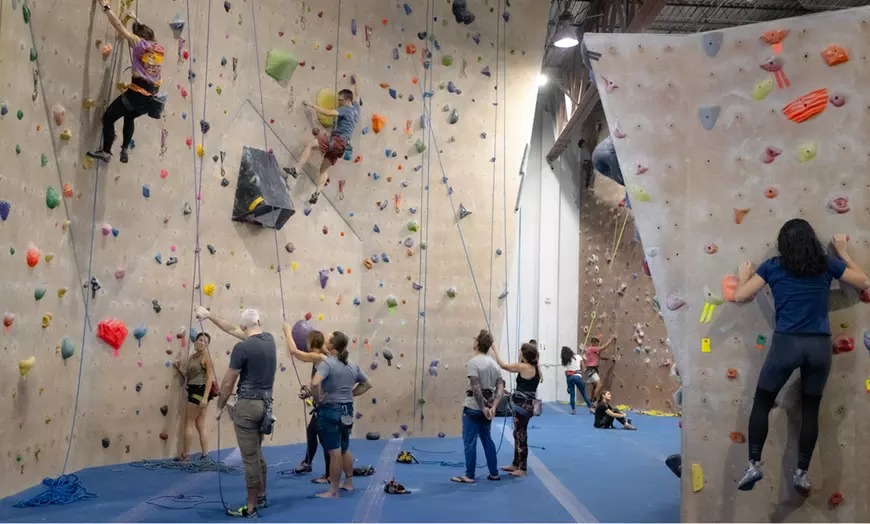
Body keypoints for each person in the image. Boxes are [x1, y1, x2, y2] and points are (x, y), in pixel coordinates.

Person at [733, 222, 869, 495]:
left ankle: (754, 464)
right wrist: (843, 251)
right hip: (818, 347)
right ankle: (801, 473)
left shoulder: (773, 265)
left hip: (787, 344)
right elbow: (864, 281)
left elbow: (740, 296)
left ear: (782, 244)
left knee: (762, 402)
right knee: (810, 410)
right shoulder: (825, 264)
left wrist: (743, 276)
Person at [197, 307, 277, 518]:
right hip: (266, 405)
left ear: (244, 327)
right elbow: (232, 328)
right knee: (257, 453)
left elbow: (227, 382)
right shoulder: (269, 340)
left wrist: (220, 407)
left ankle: (250, 508)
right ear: (259, 323)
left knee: (249, 457)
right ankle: (262, 496)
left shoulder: (242, 348)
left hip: (248, 406)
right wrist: (208, 314)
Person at [87, 0, 164, 164]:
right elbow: (147, 32)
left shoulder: (139, 43)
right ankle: (124, 149)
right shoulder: (158, 48)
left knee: (108, 118)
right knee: (129, 116)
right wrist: (135, 18)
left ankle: (106, 152)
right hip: (151, 98)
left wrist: (106, 8)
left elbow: (118, 27)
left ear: (138, 37)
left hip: (137, 94)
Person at [309, 331, 372, 498]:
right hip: (347, 410)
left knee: (334, 452)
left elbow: (315, 383)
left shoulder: (328, 363)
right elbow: (367, 384)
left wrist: (317, 400)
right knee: (344, 448)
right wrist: (350, 394)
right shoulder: (351, 365)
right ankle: (349, 483)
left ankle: (333, 491)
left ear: (330, 346)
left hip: (331, 410)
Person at [283, 79, 360, 205]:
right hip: (341, 147)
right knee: (323, 170)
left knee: (310, 144)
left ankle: (296, 170)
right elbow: (357, 94)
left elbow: (329, 113)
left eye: (340, 100)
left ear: (347, 100)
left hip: (336, 141)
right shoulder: (356, 110)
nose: (338, 103)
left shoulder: (345, 109)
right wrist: (356, 81)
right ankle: (317, 192)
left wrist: (312, 105)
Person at [451, 330, 505, 484]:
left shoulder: (474, 362)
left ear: (477, 343)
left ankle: (469, 475)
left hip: (474, 408)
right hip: (487, 408)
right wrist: (493, 406)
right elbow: (500, 387)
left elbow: (475, 388)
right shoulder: (494, 364)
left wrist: (482, 408)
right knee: (487, 439)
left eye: (475, 338)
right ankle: (494, 473)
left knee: (470, 442)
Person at [281, 325, 330, 484]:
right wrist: (309, 392)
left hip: (326, 404)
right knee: (311, 432)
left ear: (310, 343)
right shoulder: (321, 358)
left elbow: (295, 352)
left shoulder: (320, 357)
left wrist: (287, 332)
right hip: (322, 403)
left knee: (324, 438)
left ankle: (329, 474)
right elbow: (321, 382)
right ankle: (308, 463)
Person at [490, 342, 541, 477]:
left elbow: (503, 365)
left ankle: (522, 468)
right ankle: (515, 463)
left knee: (521, 434)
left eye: (520, 351)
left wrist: (495, 349)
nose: (518, 353)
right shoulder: (535, 367)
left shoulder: (523, 366)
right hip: (527, 405)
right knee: (517, 432)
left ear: (524, 355)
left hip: (522, 406)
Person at [172, 332, 216, 461]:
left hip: (200, 391)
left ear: (207, 345)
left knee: (189, 423)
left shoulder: (206, 357)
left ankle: (185, 455)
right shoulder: (193, 357)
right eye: (200, 340)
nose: (202, 343)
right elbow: (188, 376)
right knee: (200, 424)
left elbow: (209, 378)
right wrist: (179, 368)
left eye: (205, 342)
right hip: (194, 389)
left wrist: (204, 397)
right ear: (196, 341)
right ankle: (205, 454)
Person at [561, 346, 593, 414]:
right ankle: (591, 408)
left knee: (572, 395)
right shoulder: (578, 357)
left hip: (569, 378)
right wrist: (582, 360)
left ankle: (573, 410)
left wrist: (568, 386)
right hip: (577, 376)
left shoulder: (565, 361)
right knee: (584, 394)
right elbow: (584, 369)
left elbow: (567, 373)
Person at [585, 335, 614, 404]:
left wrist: (606, 359)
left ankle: (591, 401)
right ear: (592, 342)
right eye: (595, 342)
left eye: (597, 342)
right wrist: (611, 339)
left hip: (593, 369)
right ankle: (594, 402)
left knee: (595, 386)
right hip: (591, 369)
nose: (596, 343)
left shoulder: (593, 350)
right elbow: (603, 347)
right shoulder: (591, 348)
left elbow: (598, 357)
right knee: (599, 385)